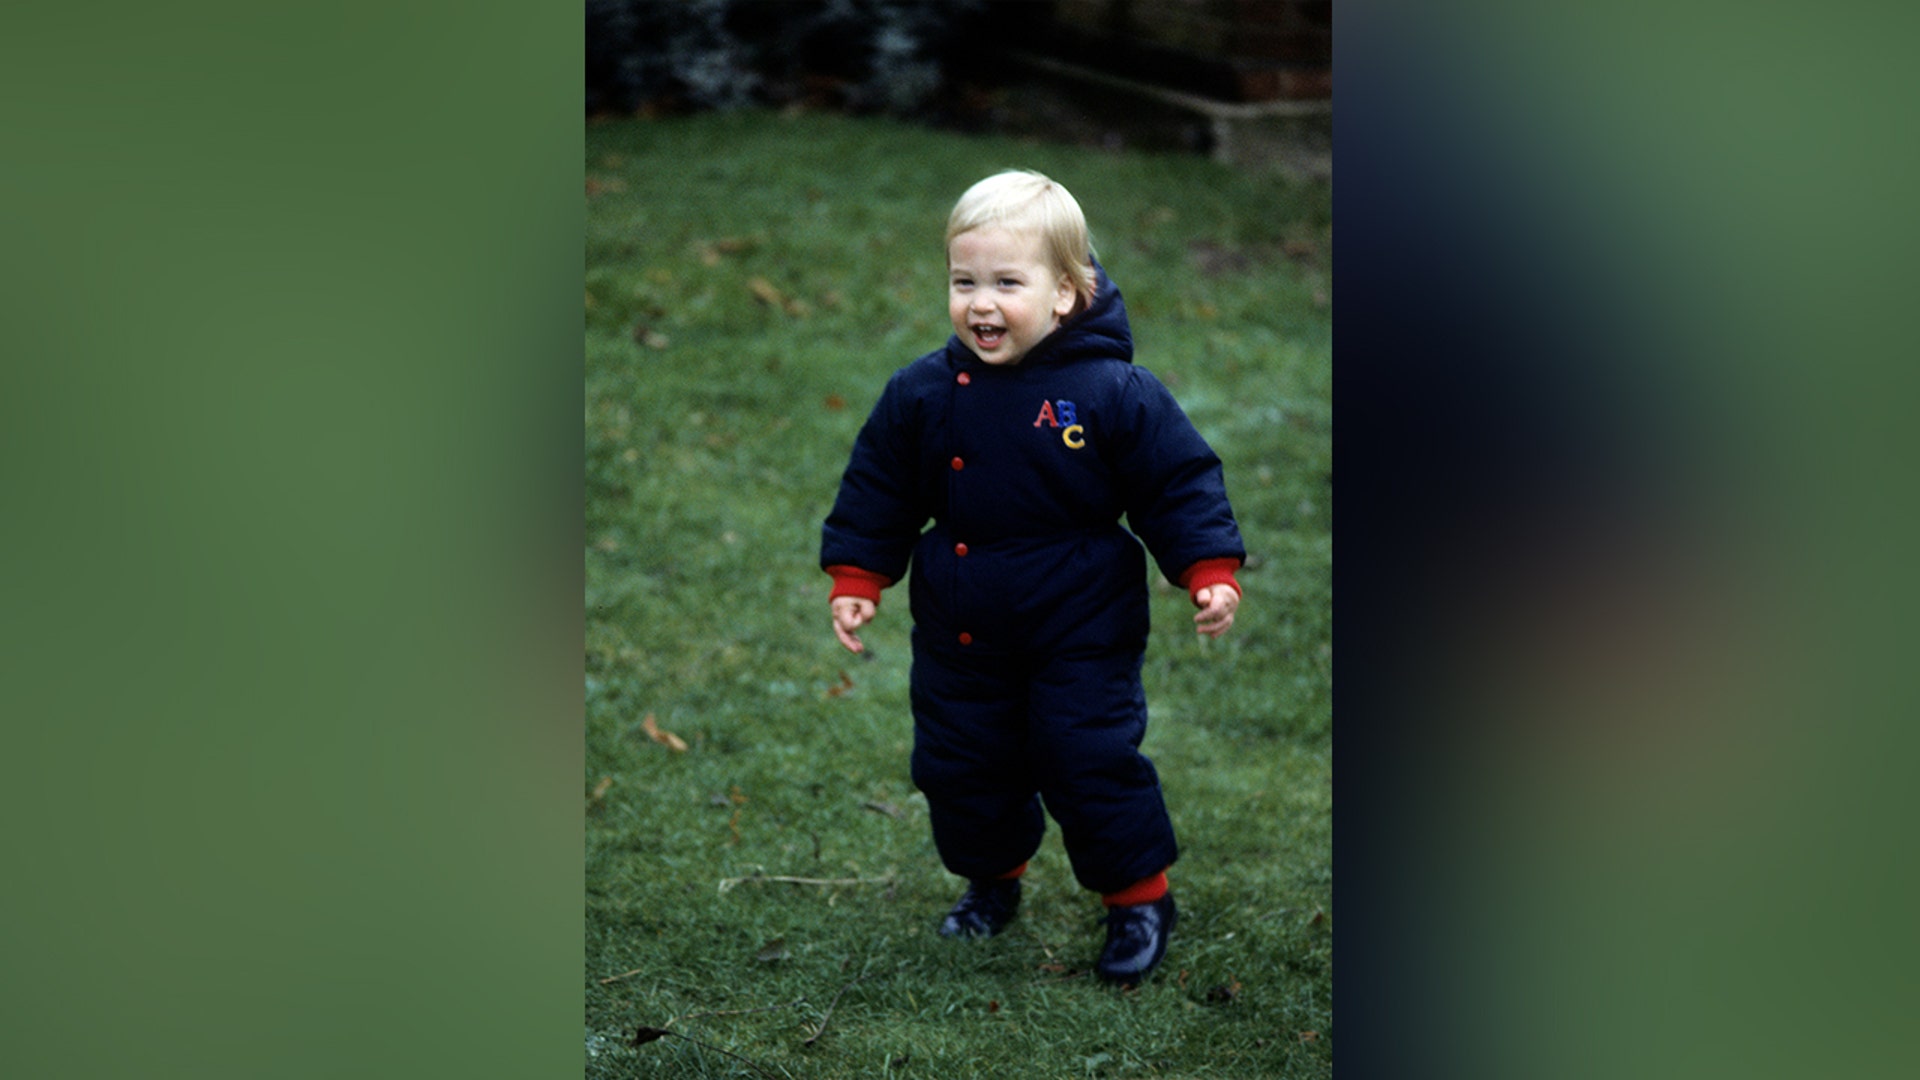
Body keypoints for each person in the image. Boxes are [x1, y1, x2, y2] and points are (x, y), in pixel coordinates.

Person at [820, 169, 1244, 986]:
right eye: (964, 281)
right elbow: (880, 487)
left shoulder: (1112, 392)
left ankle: (1138, 897)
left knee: (1084, 755)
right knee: (962, 761)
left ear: (1066, 294)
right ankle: (993, 881)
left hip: (1081, 619)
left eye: (1007, 283)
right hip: (962, 620)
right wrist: (858, 576)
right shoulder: (923, 394)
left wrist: (1207, 569)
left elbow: (1177, 482)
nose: (981, 303)